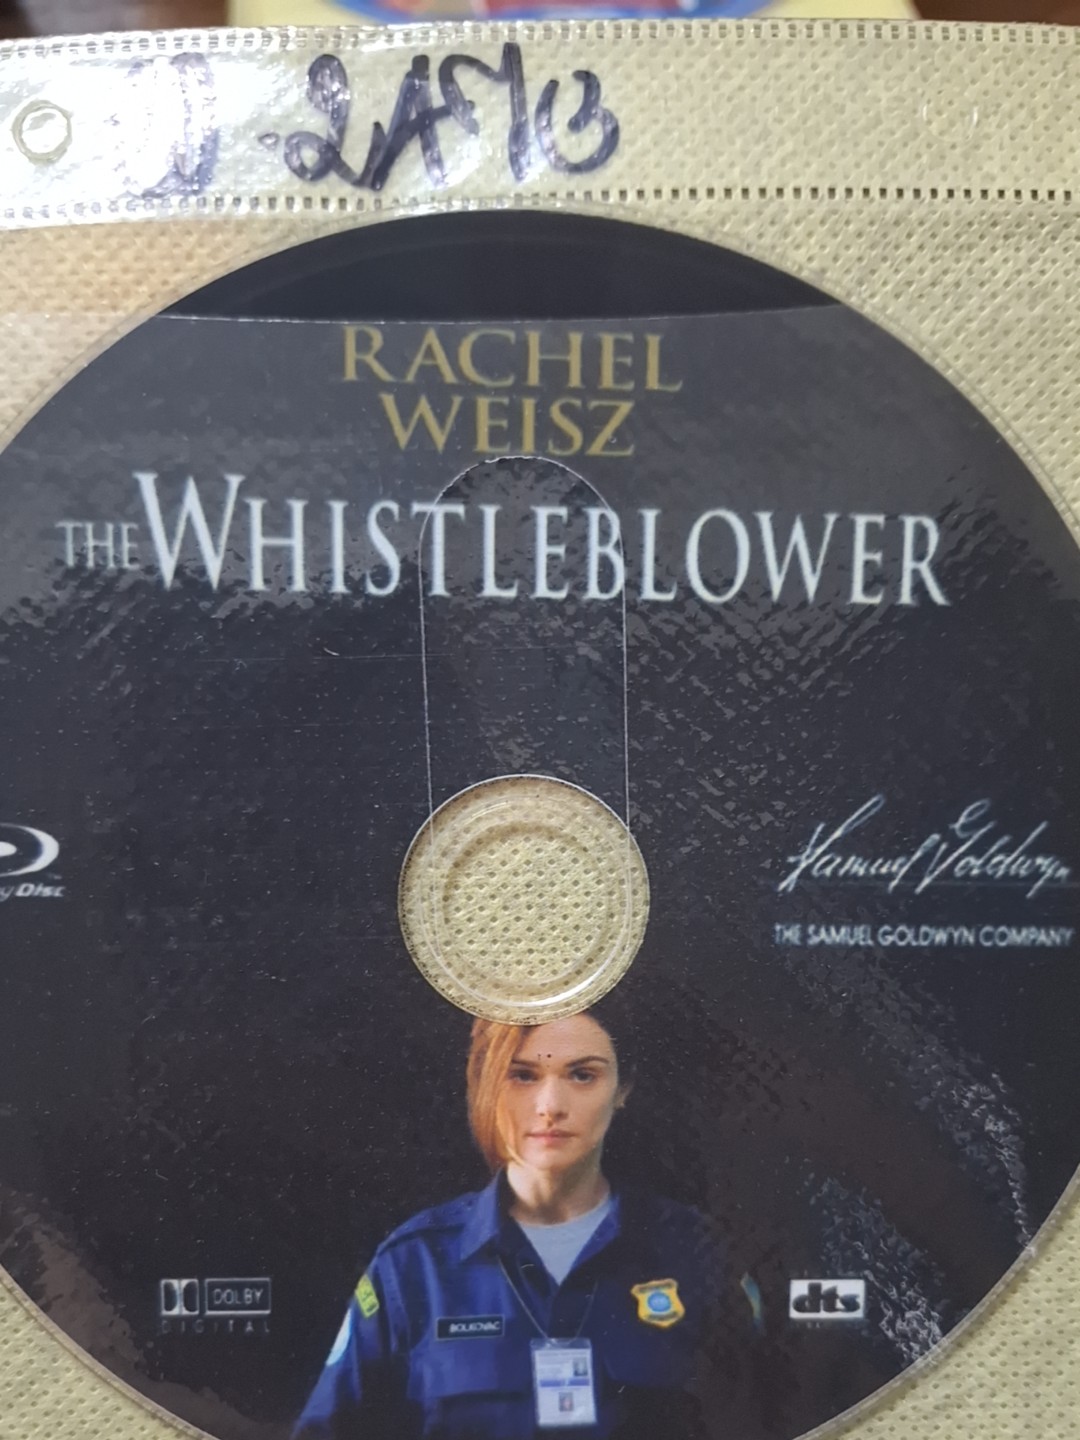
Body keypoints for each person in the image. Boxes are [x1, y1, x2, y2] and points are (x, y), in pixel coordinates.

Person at [294, 996, 756, 1439]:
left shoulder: (695, 1252)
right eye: (522, 1075)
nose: (550, 1105)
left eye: (582, 1075)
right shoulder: (414, 1266)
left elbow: (762, 1419)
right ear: (488, 1083)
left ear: (622, 1088)